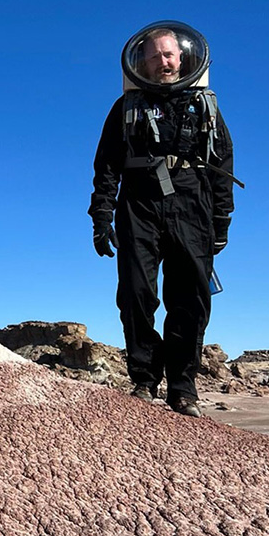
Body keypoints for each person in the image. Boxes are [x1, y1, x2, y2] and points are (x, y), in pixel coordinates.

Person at [88, 22, 236, 417]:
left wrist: (221, 222)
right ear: (143, 62)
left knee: (191, 298)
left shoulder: (205, 106)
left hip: (192, 205)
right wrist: (102, 217)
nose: (162, 61)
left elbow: (223, 166)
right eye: (154, 56)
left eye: (168, 54)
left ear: (182, 58)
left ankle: (183, 389)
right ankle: (144, 379)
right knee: (135, 293)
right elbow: (106, 167)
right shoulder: (126, 108)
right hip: (139, 205)